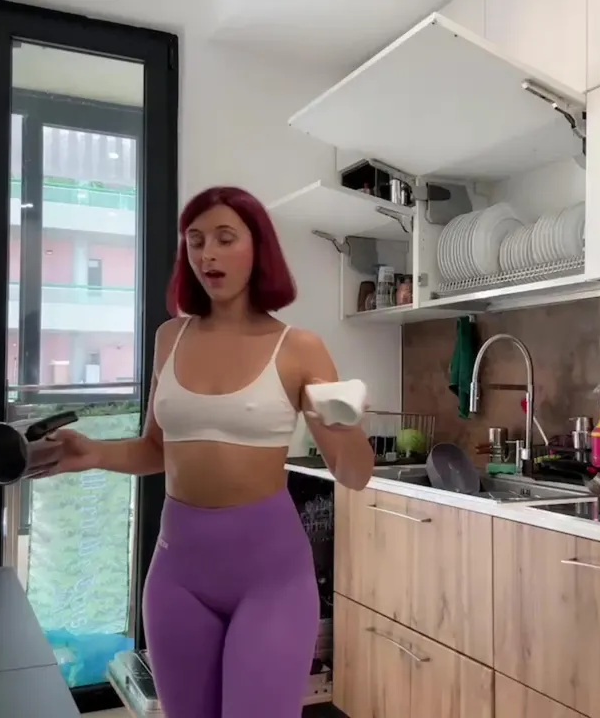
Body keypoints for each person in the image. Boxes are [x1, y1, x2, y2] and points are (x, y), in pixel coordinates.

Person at [47, 186, 375, 718]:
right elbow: (156, 449)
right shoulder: (169, 338)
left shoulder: (299, 348)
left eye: (225, 238)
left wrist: (346, 422)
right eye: (196, 241)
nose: (208, 255)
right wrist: (93, 453)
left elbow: (354, 474)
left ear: (258, 247)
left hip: (271, 578)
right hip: (178, 574)